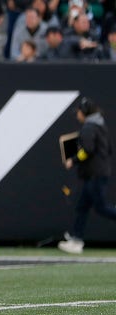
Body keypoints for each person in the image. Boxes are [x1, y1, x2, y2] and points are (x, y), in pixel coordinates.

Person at [58, 97, 116, 254]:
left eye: (77, 112)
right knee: (82, 206)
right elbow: (108, 149)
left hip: (95, 174)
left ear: (83, 112)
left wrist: (73, 160)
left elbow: (88, 150)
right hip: (96, 173)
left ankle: (76, 240)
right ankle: (76, 240)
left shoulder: (89, 128)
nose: (76, 115)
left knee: (102, 207)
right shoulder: (100, 125)